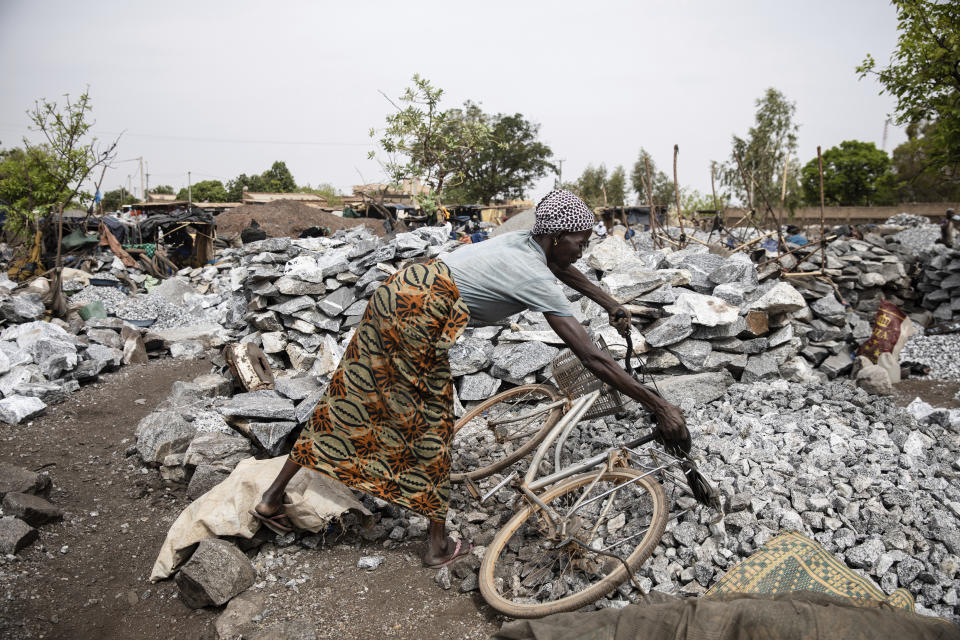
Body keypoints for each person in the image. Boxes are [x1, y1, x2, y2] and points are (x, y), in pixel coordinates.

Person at [251, 190, 690, 568]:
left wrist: (608, 299)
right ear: (556, 237)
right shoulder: (534, 272)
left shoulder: (526, 242)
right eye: (580, 240)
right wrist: (660, 406)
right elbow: (593, 358)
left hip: (401, 293)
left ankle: (272, 497)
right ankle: (438, 544)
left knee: (353, 396)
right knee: (431, 422)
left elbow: (563, 269)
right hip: (418, 315)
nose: (583, 250)